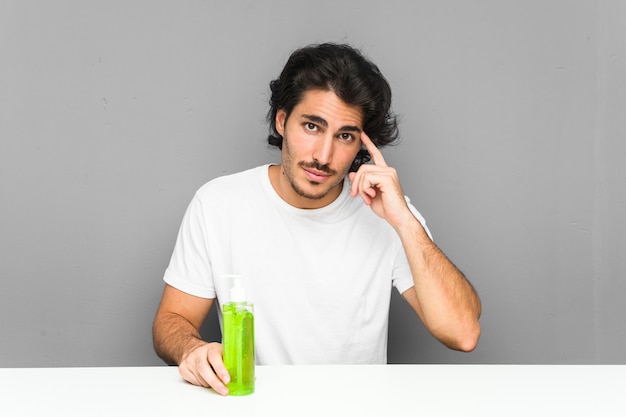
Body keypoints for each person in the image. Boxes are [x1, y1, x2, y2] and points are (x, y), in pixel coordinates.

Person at [152, 42, 481, 395]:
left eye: (345, 136)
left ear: (362, 146)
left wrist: (405, 222)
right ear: (282, 121)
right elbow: (173, 320)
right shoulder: (217, 204)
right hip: (253, 405)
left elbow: (463, 333)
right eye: (312, 126)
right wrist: (193, 350)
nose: (324, 156)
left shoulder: (389, 214)